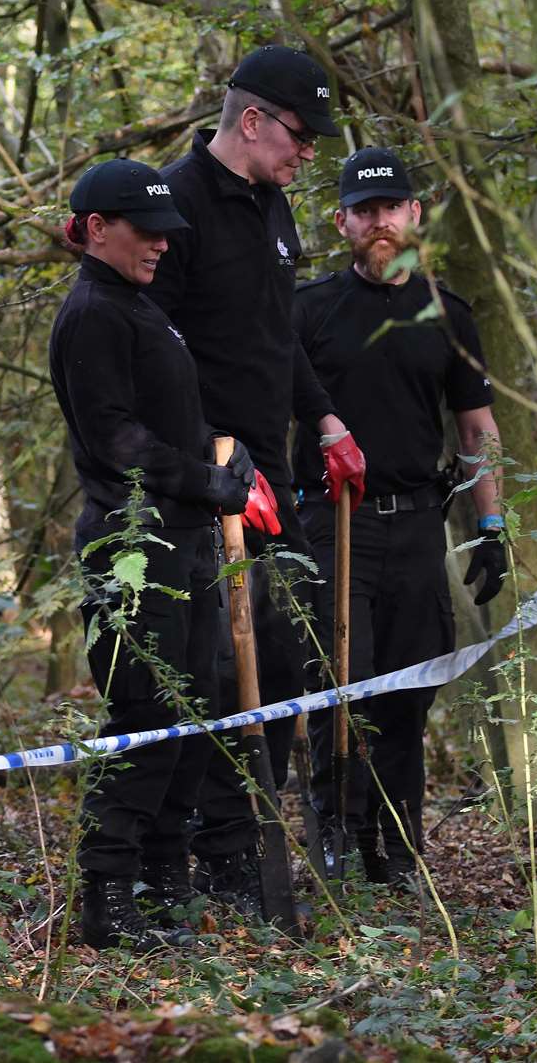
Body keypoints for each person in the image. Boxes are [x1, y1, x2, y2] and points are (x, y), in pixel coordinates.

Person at [143, 45, 368, 912]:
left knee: (287, 650)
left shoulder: (275, 209)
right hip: (201, 473)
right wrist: (208, 452)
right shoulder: (173, 204)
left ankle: (251, 832)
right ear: (253, 121)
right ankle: (218, 853)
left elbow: (278, 339)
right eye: (301, 135)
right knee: (207, 662)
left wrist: (326, 418)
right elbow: (147, 345)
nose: (309, 153)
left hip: (273, 464)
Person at [48, 158, 281, 949]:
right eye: (144, 232)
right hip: (131, 547)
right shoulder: (92, 314)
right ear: (96, 228)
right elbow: (115, 438)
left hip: (182, 543)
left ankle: (164, 882)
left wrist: (226, 468)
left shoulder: (142, 308)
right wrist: (207, 483)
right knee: (147, 715)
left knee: (200, 707)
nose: (159, 246)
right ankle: (107, 898)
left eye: (166, 233)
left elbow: (170, 413)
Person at [294, 147, 504, 884]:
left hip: (418, 524)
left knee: (410, 691)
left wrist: (492, 528)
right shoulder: (308, 311)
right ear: (343, 220)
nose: (379, 222)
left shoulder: (448, 314)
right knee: (339, 685)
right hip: (330, 522)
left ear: (415, 215)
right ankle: (337, 840)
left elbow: (477, 430)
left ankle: (398, 844)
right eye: (364, 210)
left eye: (391, 208)